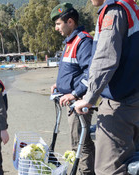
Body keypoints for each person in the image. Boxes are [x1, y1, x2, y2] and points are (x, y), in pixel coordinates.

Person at [74, 0, 139, 174]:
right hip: (134, 99)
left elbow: (105, 59)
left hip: (119, 103)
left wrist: (89, 98)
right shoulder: (132, 6)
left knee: (108, 169)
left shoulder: (114, 11)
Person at [50, 3, 95, 174]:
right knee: (79, 142)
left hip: (78, 102)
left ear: (70, 22)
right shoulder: (70, 42)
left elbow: (90, 74)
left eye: (58, 24)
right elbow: (71, 71)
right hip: (69, 100)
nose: (56, 28)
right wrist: (59, 85)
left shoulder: (83, 41)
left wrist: (74, 93)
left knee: (80, 144)